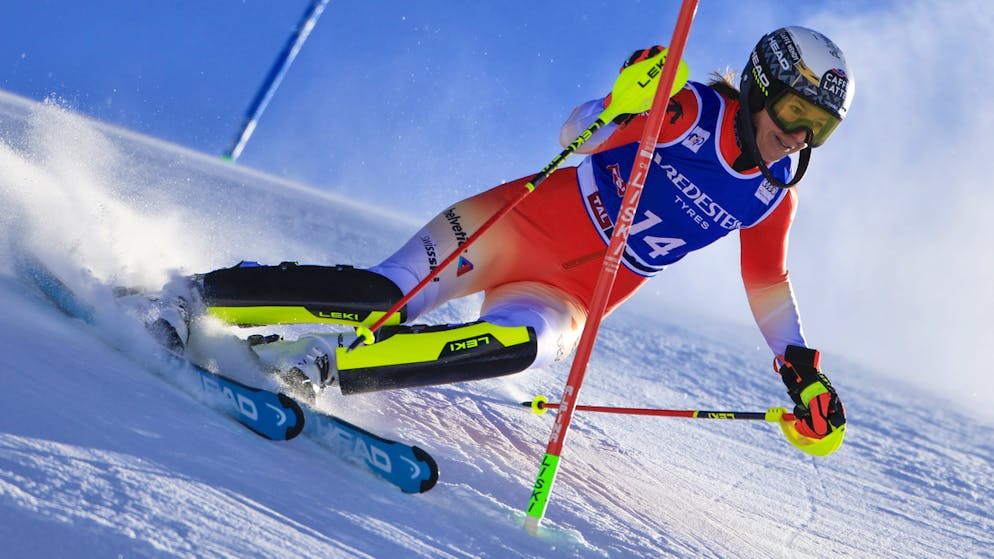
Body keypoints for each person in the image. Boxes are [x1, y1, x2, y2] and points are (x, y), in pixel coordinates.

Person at [171, 26, 851, 455]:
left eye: (816, 128)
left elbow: (768, 282)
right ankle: (202, 293)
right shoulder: (690, 110)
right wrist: (622, 106)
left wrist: (800, 367)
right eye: (794, 112)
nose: (796, 136)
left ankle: (323, 365)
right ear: (762, 88)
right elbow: (573, 136)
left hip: (573, 294)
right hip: (516, 227)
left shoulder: (770, 194)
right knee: (381, 296)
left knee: (512, 348)